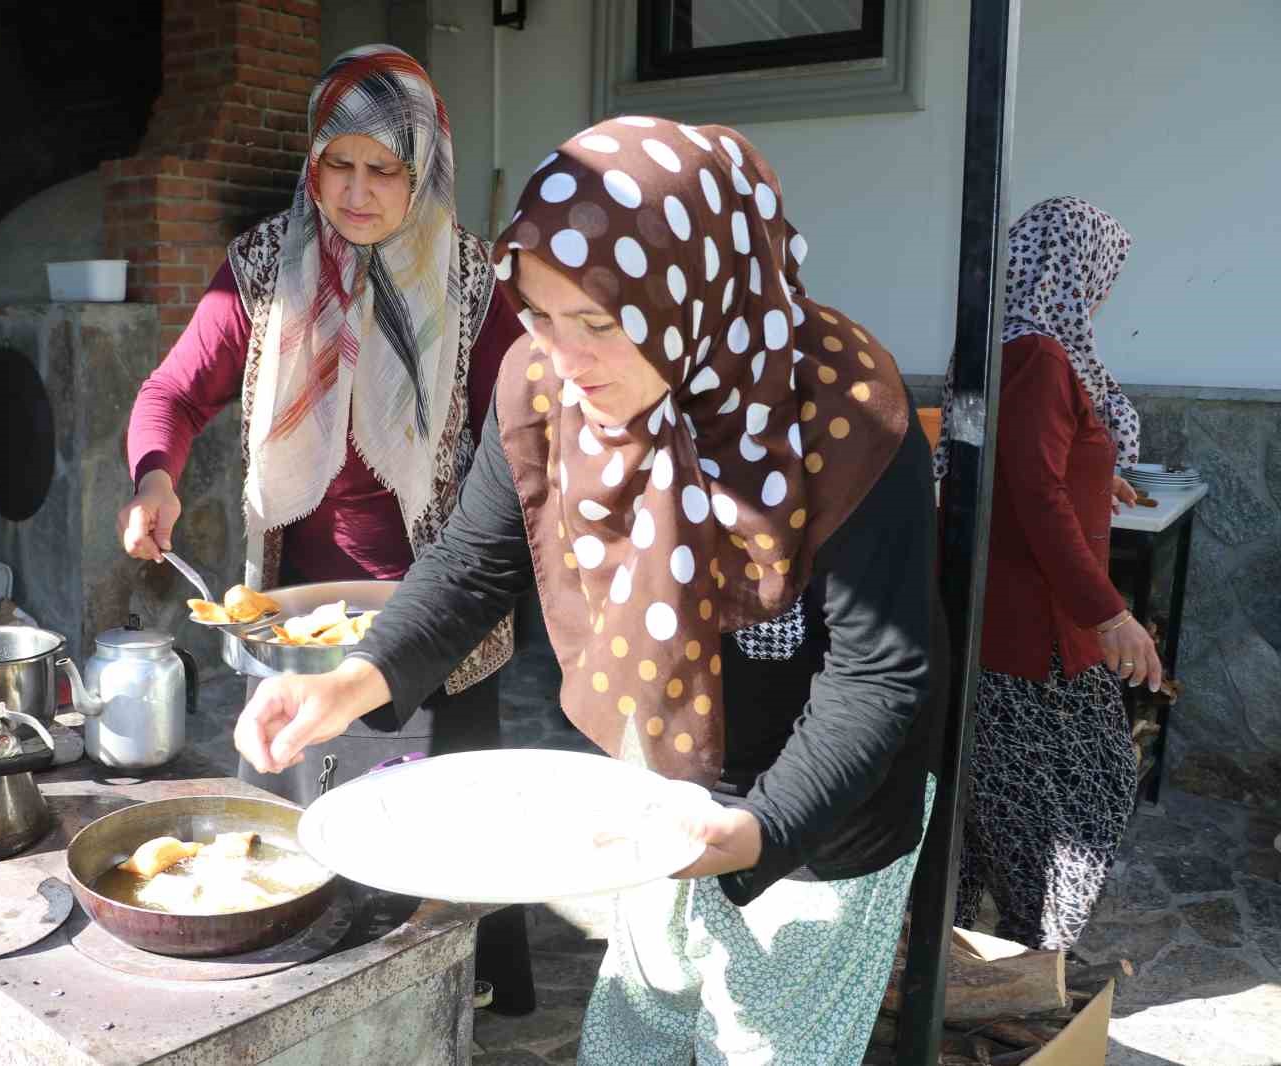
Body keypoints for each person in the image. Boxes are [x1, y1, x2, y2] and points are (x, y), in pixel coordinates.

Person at [235, 117, 945, 1065]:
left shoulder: (844, 413)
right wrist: (350, 682)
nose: (565, 359)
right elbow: (473, 561)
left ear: (692, 294)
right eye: (539, 315)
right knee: (637, 1033)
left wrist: (758, 829)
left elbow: (876, 676)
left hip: (823, 816)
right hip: (658, 778)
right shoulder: (543, 387)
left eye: (600, 323)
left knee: (765, 1048)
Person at [117, 45, 533, 1013]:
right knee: (299, 832)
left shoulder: (473, 286)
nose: (354, 191)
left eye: (381, 168)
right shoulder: (265, 269)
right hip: (301, 619)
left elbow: (520, 444)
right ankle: (312, 997)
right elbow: (173, 392)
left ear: (423, 168)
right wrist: (153, 477)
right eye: (335, 164)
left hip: (443, 612)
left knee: (446, 836)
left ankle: (455, 999)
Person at [939, 196, 1160, 952]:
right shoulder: (1039, 355)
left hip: (1005, 619)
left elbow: (1010, 468)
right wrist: (1110, 612)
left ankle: (980, 951)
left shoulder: (1003, 349)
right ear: (1074, 271)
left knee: (997, 795)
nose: (1101, 296)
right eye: (1101, 277)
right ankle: (1034, 951)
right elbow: (1033, 490)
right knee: (1083, 789)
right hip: (1037, 629)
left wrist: (1100, 478)